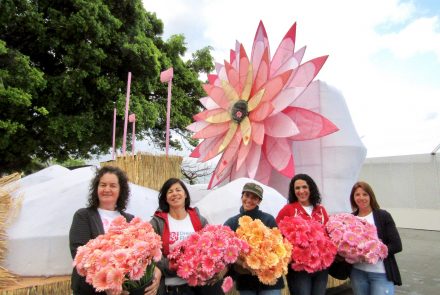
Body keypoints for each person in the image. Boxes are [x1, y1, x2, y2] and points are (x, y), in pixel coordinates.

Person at [69, 166, 161, 295]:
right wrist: (108, 283)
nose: (107, 189)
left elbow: (141, 255)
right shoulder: (83, 215)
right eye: (103, 185)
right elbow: (78, 254)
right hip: (89, 290)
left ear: (120, 190)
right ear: (96, 189)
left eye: (113, 185)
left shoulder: (130, 220)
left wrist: (155, 269)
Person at [150, 178, 224, 295]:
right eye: (170, 191)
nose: (174, 193)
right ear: (165, 198)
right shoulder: (157, 222)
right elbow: (150, 253)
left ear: (185, 194)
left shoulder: (199, 219)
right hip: (172, 288)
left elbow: (212, 246)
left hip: (199, 287)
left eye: (178, 190)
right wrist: (174, 266)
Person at [224, 182, 284, 295]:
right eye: (247, 195)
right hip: (246, 281)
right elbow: (226, 251)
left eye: (254, 197)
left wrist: (264, 259)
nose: (249, 200)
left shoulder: (268, 219)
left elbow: (279, 248)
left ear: (259, 201)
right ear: (242, 196)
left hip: (269, 280)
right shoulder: (231, 222)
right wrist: (242, 263)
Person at [275, 173, 329, 295]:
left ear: (311, 188)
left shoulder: (321, 210)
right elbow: (276, 233)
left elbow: (327, 234)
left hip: (320, 267)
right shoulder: (288, 209)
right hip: (299, 268)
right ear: (293, 191)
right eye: (297, 188)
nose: (301, 191)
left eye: (304, 187)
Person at [349, 181, 402, 295]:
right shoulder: (350, 218)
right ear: (353, 198)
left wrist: (374, 252)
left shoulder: (383, 216)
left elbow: (397, 245)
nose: (361, 197)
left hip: (380, 274)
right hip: (357, 273)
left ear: (370, 196)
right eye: (357, 194)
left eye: (365, 194)